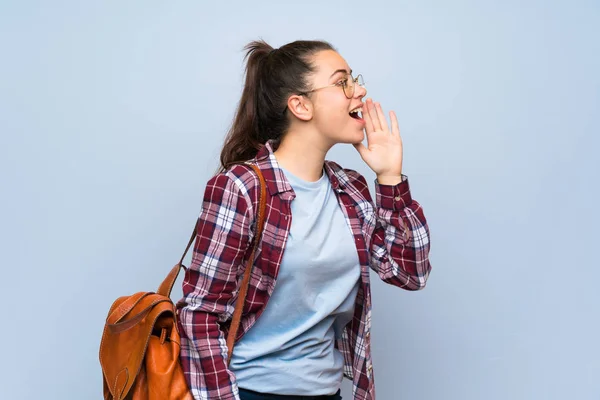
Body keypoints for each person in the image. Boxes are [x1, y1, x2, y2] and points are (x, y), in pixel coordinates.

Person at [176, 39, 432, 400]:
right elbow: (200, 314)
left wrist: (390, 178)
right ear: (300, 105)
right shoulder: (242, 188)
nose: (359, 90)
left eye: (354, 79)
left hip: (327, 393)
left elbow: (410, 273)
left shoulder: (351, 189)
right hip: (250, 392)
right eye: (342, 82)